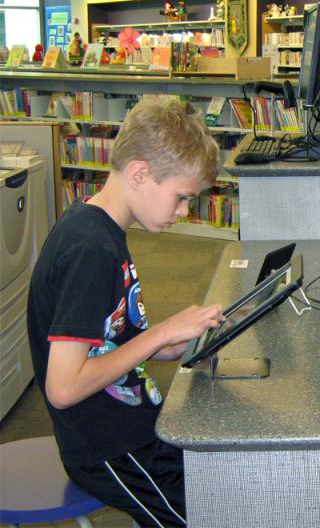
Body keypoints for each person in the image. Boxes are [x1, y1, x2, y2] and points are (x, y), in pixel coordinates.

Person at [27, 96, 225, 527]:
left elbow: (102, 340)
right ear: (140, 173)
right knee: (209, 515)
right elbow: (63, 387)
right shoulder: (90, 250)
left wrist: (162, 348)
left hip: (132, 420)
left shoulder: (102, 229)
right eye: (181, 197)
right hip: (108, 446)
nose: (184, 211)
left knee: (222, 472)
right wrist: (158, 333)